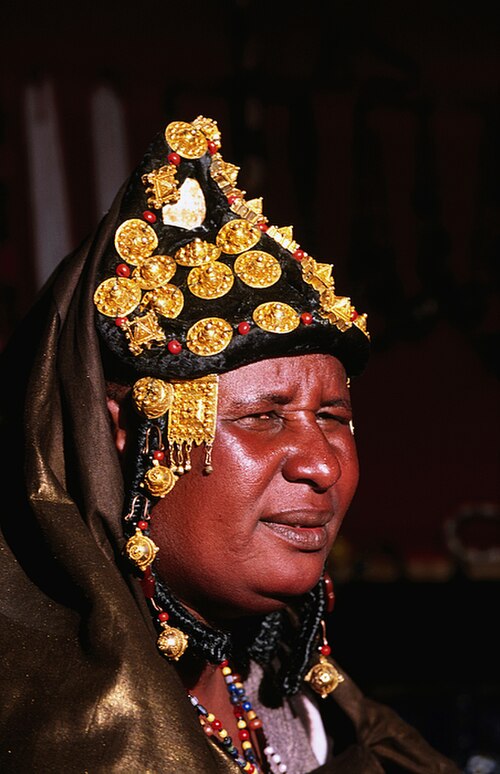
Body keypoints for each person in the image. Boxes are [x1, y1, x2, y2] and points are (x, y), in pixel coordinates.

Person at [0, 115, 460, 773]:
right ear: (121, 435)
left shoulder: (305, 706)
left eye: (333, 416)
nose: (322, 464)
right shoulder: (53, 739)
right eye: (265, 417)